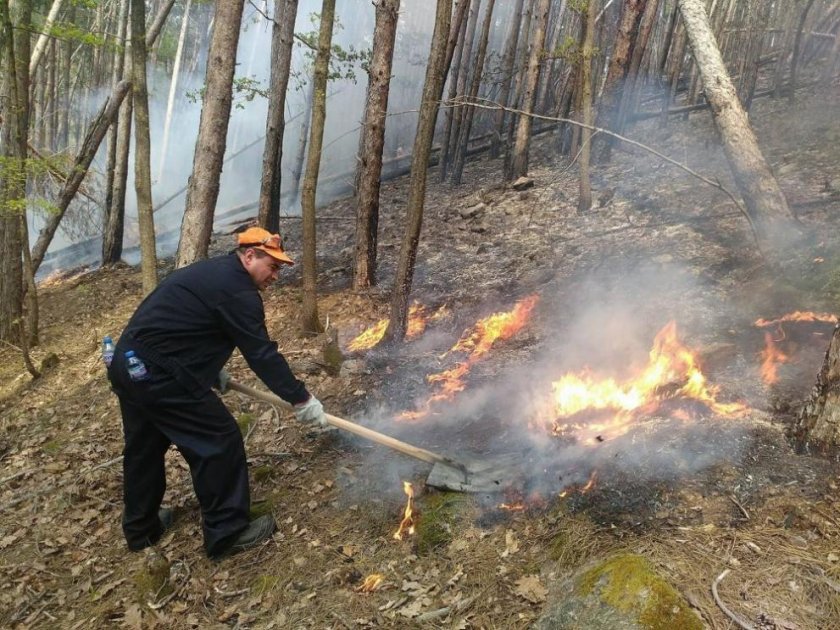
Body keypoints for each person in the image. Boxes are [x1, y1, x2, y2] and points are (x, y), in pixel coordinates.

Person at [107, 227, 326, 559]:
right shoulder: (238, 291)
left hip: (128, 363)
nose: (276, 276)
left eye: (280, 268)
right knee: (219, 441)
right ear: (250, 256)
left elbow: (183, 322)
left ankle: (141, 529)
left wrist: (204, 368)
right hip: (158, 375)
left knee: (144, 449)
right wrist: (301, 398)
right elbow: (261, 354)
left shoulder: (213, 273)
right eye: (273, 266)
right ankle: (227, 533)